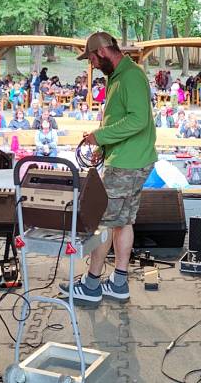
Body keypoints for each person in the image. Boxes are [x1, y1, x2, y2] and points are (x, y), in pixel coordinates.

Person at [61, 32, 156, 305]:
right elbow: (124, 118)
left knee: (101, 222)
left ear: (102, 51)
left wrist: (98, 137)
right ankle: (119, 283)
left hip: (127, 163)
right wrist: (103, 147)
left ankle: (91, 285)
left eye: (91, 58)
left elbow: (138, 120)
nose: (91, 64)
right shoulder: (121, 76)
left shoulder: (130, 77)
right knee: (123, 221)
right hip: (131, 158)